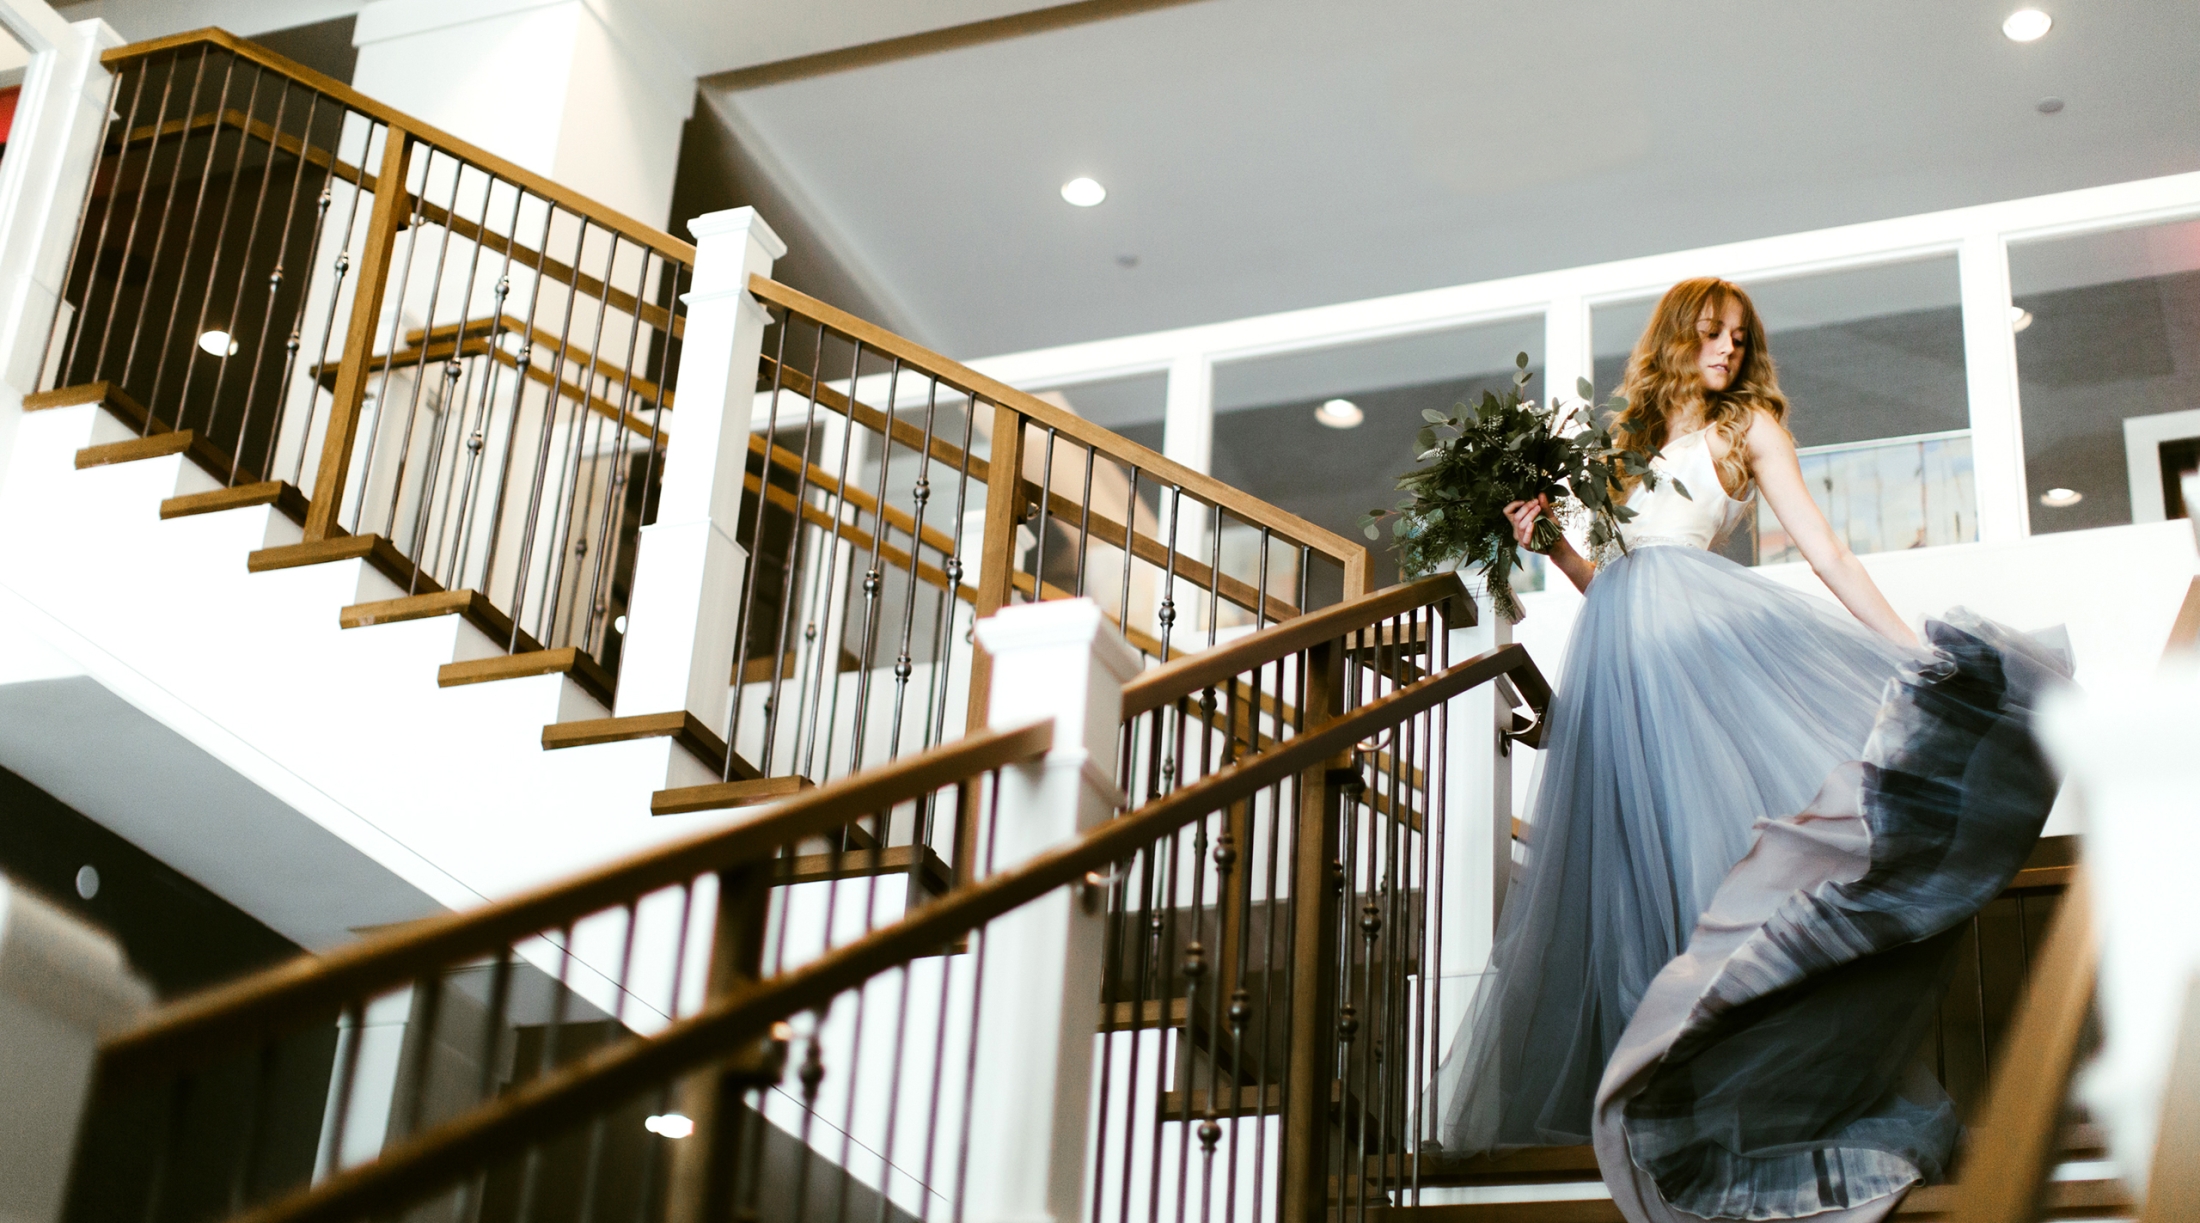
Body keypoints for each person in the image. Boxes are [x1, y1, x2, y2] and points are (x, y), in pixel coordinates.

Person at [1431, 278, 2067, 1222]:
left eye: (1739, 336)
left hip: (1692, 653)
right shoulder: (1622, 452)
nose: (1727, 349)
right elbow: (1611, 574)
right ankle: (1658, 1107)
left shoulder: (1750, 427)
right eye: (1711, 332)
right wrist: (1549, 538)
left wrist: (1907, 651)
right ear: (1675, 337)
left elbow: (1825, 552)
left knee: (1710, 880)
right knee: (1632, 886)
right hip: (1621, 662)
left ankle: (1744, 1111)